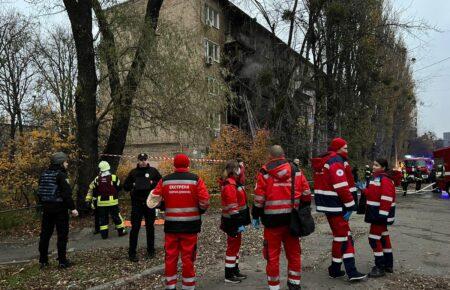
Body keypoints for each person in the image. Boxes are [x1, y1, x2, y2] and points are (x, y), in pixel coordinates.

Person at [147, 154, 210, 290]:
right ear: (188, 164)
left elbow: (153, 200)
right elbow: (205, 200)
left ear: (174, 165)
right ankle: (188, 287)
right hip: (190, 226)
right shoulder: (195, 179)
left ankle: (171, 286)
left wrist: (162, 205)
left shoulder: (165, 180)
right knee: (188, 259)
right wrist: (201, 210)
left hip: (171, 226)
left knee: (170, 257)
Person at [252, 145, 311, 290]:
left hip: (272, 222)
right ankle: (294, 284)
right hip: (292, 220)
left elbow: (259, 198)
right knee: (294, 253)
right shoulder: (296, 170)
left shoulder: (265, 172)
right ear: (283, 155)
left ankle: (274, 286)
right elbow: (306, 194)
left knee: (272, 256)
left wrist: (255, 215)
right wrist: (300, 208)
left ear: (270, 156)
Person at [311, 138, 366, 281]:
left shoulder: (329, 160)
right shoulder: (335, 161)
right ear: (338, 149)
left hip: (332, 205)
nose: (347, 151)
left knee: (340, 237)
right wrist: (350, 204)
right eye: (345, 148)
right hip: (337, 205)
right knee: (344, 238)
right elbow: (341, 185)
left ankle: (334, 269)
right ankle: (351, 271)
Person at [37, 152, 78, 269]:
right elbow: (66, 194)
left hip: (46, 209)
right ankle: (62, 261)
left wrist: (43, 204)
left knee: (45, 235)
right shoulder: (61, 175)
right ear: (60, 163)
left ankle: (43, 261)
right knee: (62, 235)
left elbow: (40, 192)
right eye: (65, 162)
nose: (67, 164)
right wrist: (73, 208)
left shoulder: (44, 174)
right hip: (60, 209)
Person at [361, 158, 396, 277]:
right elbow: (374, 194)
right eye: (373, 164)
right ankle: (388, 264)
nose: (373, 167)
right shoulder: (376, 178)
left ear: (383, 167)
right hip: (377, 214)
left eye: (376, 165)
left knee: (373, 239)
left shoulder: (385, 179)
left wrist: (382, 215)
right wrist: (364, 190)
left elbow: (386, 198)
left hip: (379, 216)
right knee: (384, 238)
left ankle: (380, 266)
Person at [123, 153, 162, 262]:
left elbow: (161, 183)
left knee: (150, 227)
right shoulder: (133, 172)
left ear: (147, 160)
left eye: (144, 159)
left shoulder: (153, 171)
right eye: (141, 159)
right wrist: (133, 185)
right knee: (135, 228)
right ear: (138, 160)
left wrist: (152, 182)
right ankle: (132, 253)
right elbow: (125, 186)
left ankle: (151, 250)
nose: (143, 161)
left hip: (149, 203)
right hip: (137, 204)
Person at [219, 160, 249, 284]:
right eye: (238, 168)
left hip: (235, 220)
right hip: (232, 221)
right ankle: (229, 274)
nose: (240, 171)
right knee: (232, 248)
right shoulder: (230, 185)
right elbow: (232, 206)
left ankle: (235, 270)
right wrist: (238, 223)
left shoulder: (235, 183)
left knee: (236, 247)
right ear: (234, 170)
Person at [86, 161, 126, 239]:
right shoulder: (114, 177)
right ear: (108, 168)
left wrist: (88, 200)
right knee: (116, 217)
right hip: (112, 202)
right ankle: (121, 231)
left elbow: (92, 188)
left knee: (103, 218)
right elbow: (119, 187)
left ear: (100, 169)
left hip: (101, 203)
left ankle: (104, 235)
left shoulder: (97, 179)